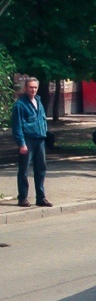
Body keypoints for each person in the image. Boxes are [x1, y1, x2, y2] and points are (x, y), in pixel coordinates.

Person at [11, 77, 52, 208]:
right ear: (25, 88)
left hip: (39, 139)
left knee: (41, 169)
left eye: (35, 87)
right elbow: (17, 126)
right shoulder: (20, 105)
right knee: (24, 170)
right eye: (30, 87)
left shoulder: (38, 101)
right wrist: (21, 143)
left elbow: (42, 119)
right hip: (27, 140)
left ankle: (41, 197)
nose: (33, 90)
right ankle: (22, 198)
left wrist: (45, 131)